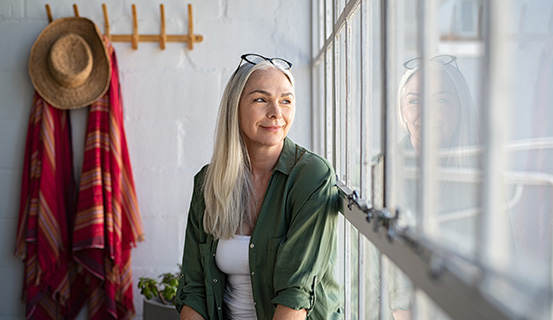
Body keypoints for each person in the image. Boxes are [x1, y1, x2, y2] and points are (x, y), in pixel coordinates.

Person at [175, 53, 343, 320]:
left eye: (286, 101)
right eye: (260, 99)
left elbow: (295, 296)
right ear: (235, 107)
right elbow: (194, 290)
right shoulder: (208, 183)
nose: (276, 113)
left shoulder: (312, 176)